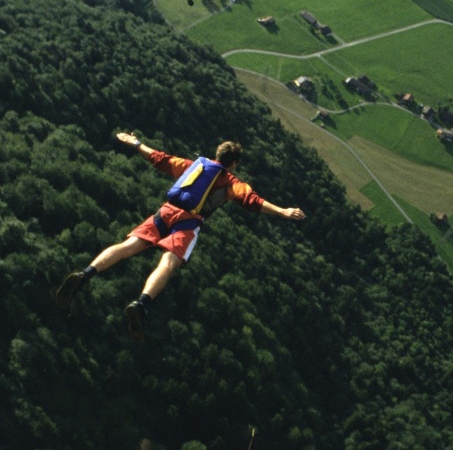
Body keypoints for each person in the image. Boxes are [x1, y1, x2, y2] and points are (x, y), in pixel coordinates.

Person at [55, 132, 306, 339]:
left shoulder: (192, 166)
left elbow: (160, 158)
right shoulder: (229, 181)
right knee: (169, 262)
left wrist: (136, 143)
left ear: (217, 154)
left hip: (164, 212)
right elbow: (251, 200)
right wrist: (283, 211)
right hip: (188, 222)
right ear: (233, 163)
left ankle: (85, 274)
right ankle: (141, 304)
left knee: (129, 245)